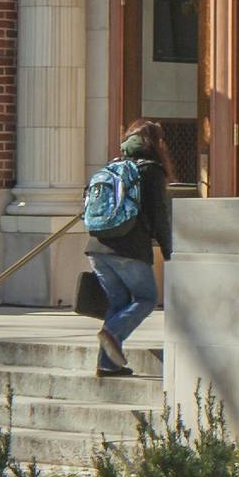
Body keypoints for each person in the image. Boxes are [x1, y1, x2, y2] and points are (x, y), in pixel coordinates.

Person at [82, 118, 172, 376]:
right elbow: (159, 216)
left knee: (118, 302)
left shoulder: (112, 166)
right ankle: (112, 332)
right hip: (128, 249)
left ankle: (107, 364)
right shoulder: (151, 171)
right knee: (146, 298)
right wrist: (169, 251)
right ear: (155, 144)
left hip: (97, 248)